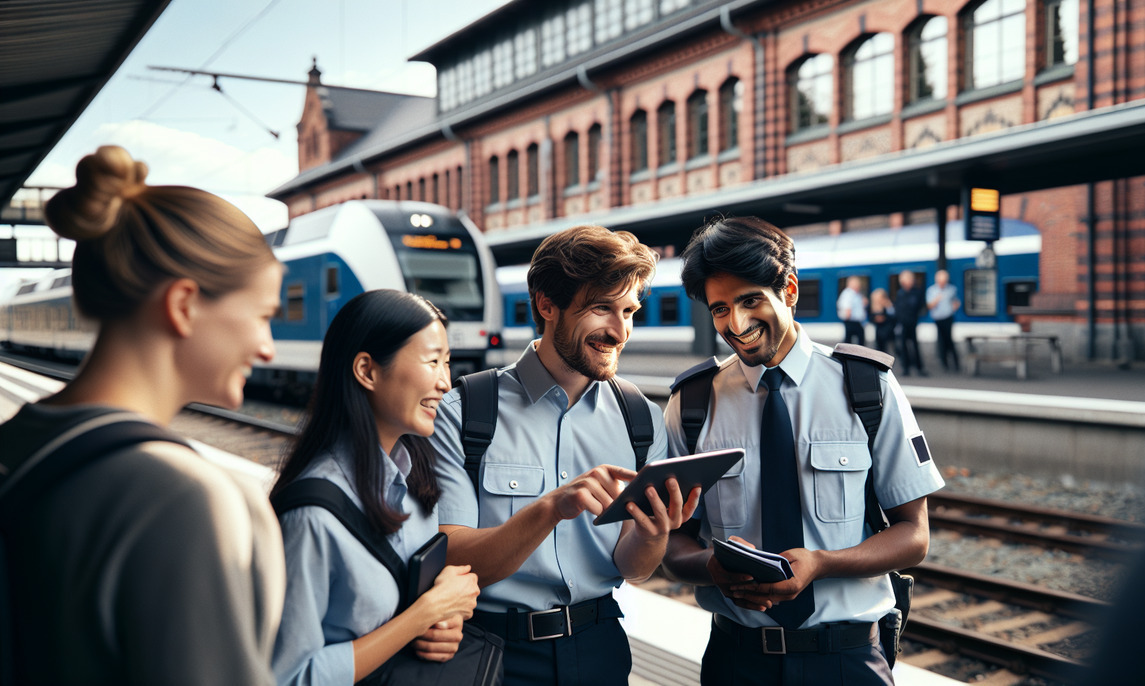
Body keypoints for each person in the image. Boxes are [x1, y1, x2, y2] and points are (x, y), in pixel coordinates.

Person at [0, 145, 285, 684]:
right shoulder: (182, 498)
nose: (267, 347)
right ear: (182, 305)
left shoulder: (17, 440)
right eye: (263, 315)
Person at [660, 217, 944, 686]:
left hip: (847, 662)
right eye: (719, 309)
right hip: (736, 661)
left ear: (789, 291)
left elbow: (914, 536)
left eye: (751, 300)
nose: (737, 323)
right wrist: (711, 567)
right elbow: (673, 542)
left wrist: (822, 564)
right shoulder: (691, 404)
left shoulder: (867, 388)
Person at [429, 224, 700, 686]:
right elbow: (453, 558)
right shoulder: (465, 413)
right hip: (489, 652)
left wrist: (654, 533)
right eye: (601, 309)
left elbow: (633, 569)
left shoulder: (641, 420)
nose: (619, 331)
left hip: (600, 647)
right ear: (546, 305)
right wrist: (551, 508)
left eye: (629, 311)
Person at [271, 290, 480, 685]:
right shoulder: (310, 516)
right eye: (433, 361)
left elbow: (408, 605)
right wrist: (422, 616)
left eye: (447, 363)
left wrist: (441, 625)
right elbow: (289, 677)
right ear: (367, 371)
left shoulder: (416, 480)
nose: (446, 383)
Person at [893, 270, 927, 377]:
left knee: (915, 346)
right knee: (903, 347)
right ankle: (905, 368)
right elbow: (897, 309)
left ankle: (919, 368)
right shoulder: (900, 293)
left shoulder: (917, 292)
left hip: (912, 323)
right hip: (902, 324)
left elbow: (921, 307)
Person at [926, 269, 960, 372]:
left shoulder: (952, 289)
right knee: (941, 341)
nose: (942, 283)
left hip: (948, 317)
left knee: (949, 340)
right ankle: (944, 363)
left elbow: (956, 301)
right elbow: (929, 305)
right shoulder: (932, 291)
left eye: (944, 280)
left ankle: (956, 363)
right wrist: (937, 299)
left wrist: (954, 308)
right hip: (938, 318)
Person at [836, 276, 868, 345]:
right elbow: (846, 307)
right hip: (851, 321)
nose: (859, 285)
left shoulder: (857, 294)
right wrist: (848, 314)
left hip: (857, 321)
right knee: (850, 341)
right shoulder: (848, 293)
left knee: (857, 340)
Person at [869, 288, 897, 356]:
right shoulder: (874, 306)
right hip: (879, 333)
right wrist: (876, 319)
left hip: (889, 332)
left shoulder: (888, 305)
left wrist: (885, 317)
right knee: (879, 350)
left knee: (890, 351)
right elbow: (871, 318)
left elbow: (894, 317)